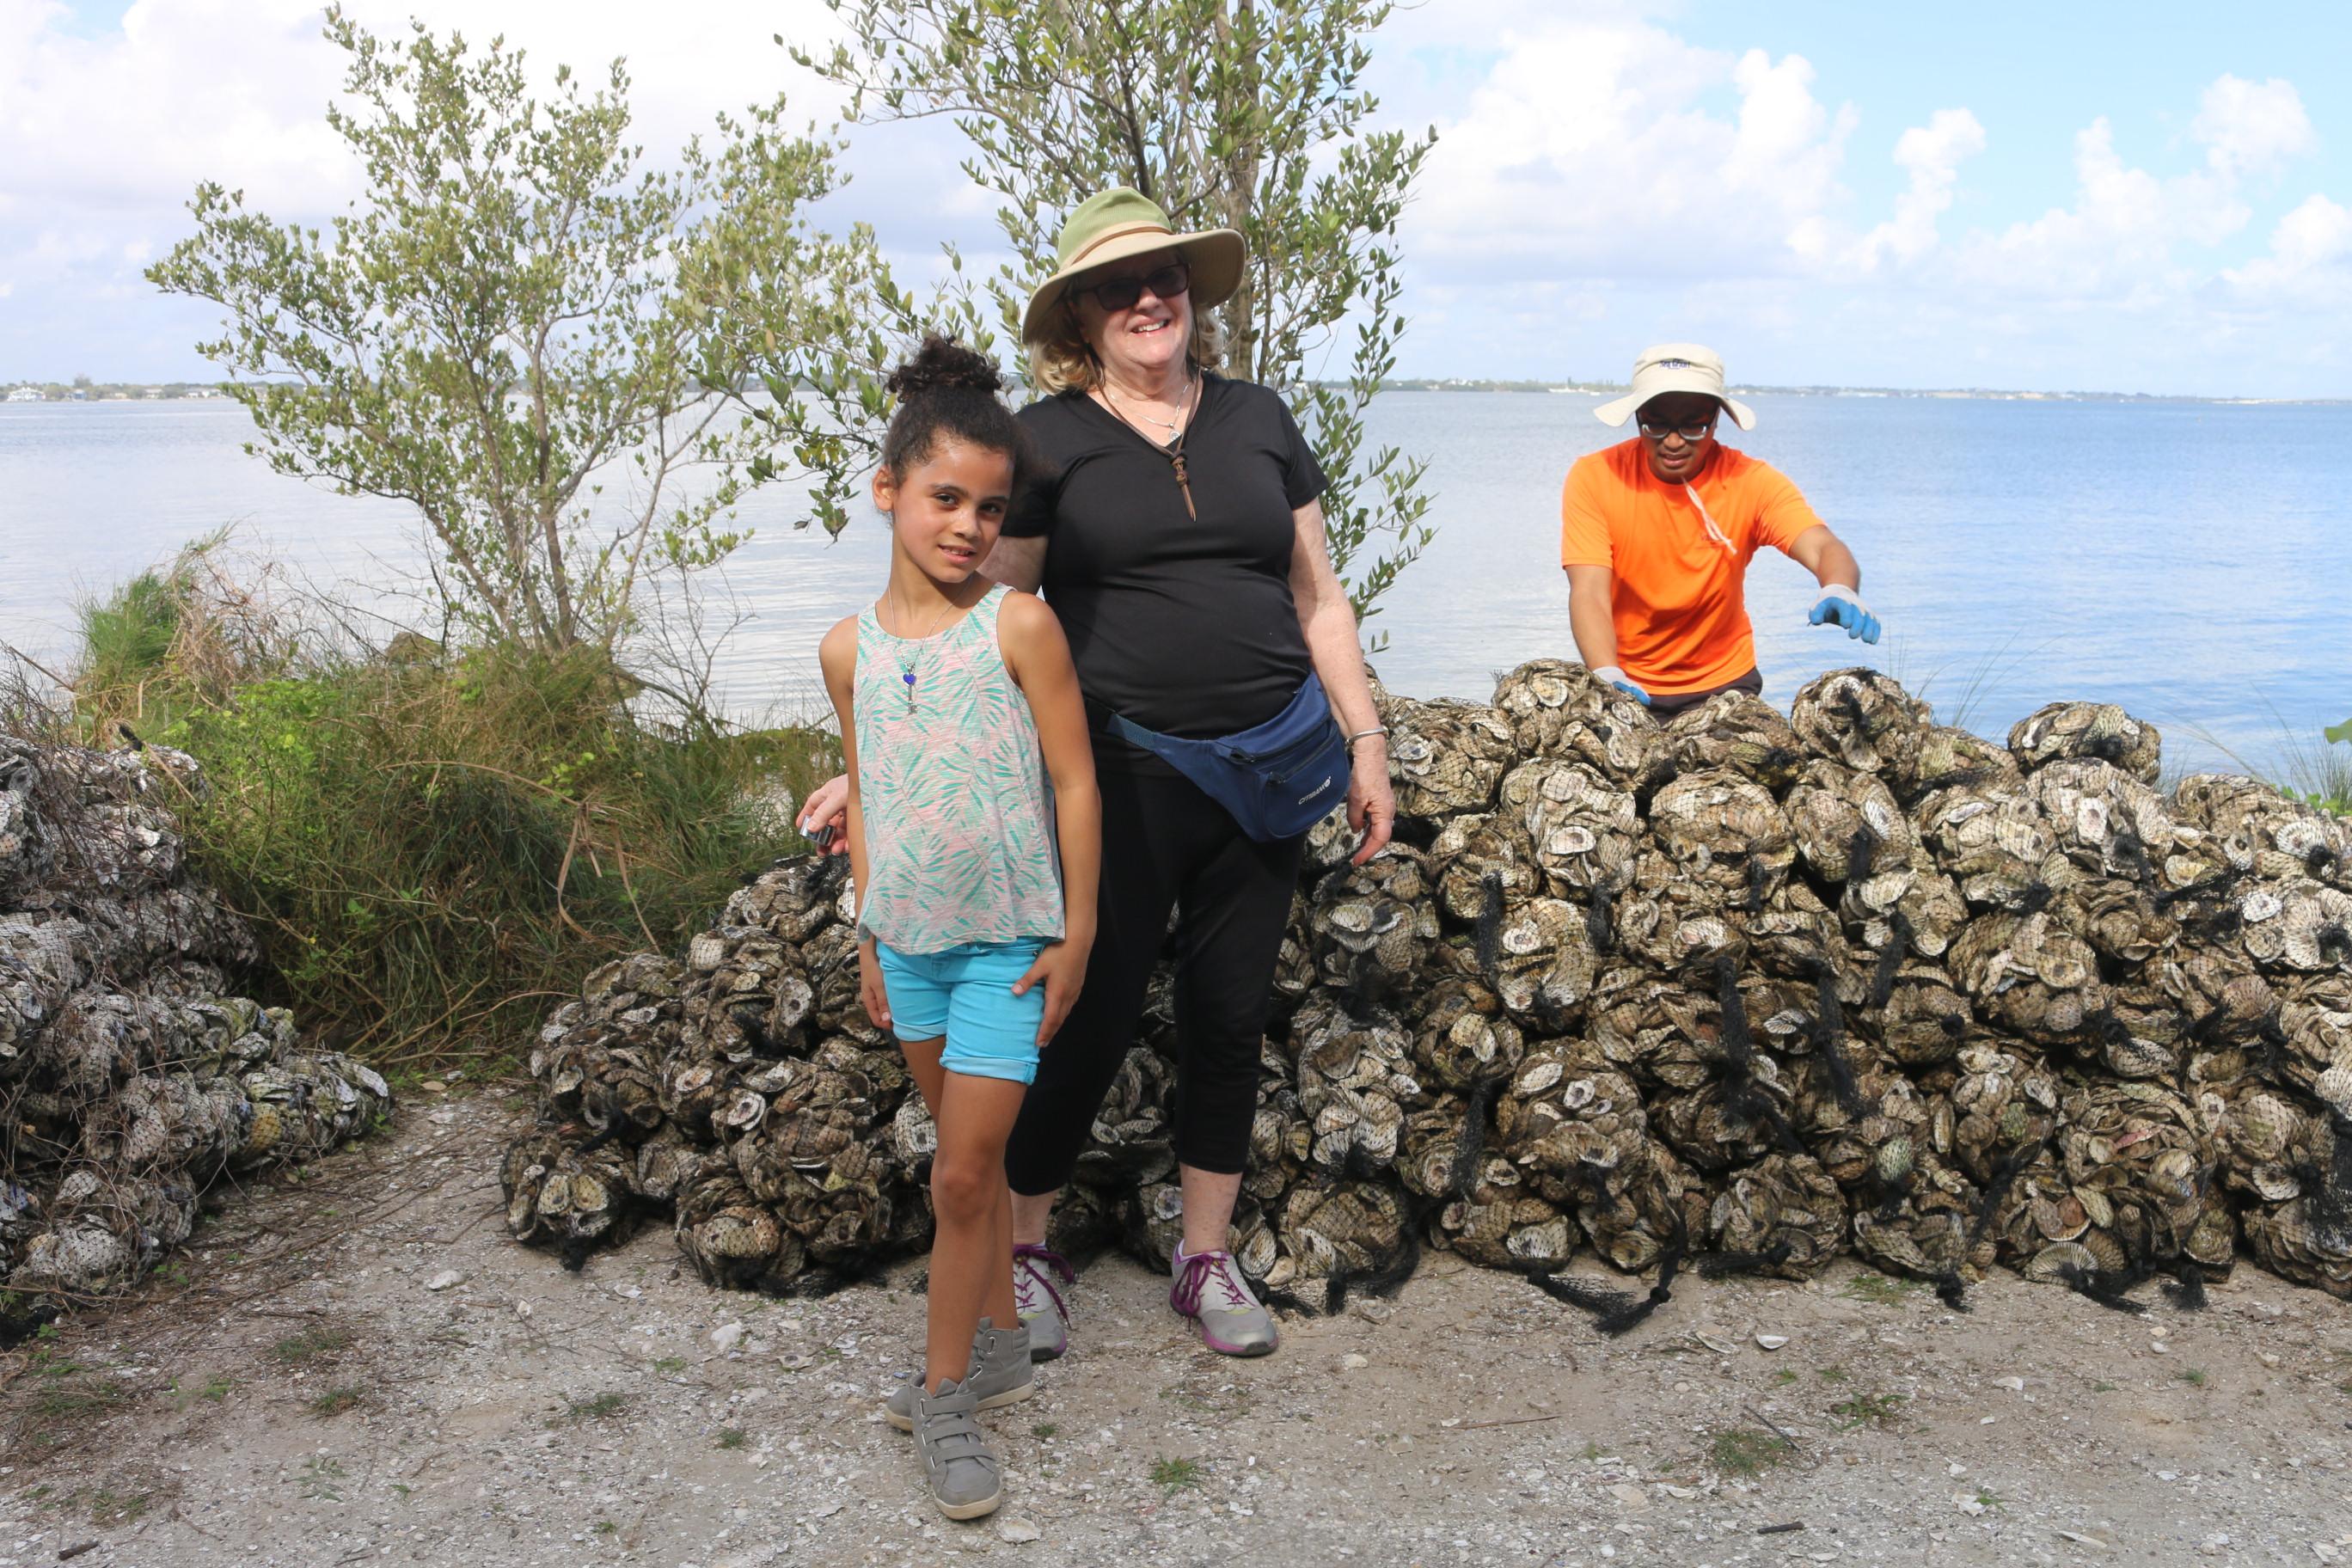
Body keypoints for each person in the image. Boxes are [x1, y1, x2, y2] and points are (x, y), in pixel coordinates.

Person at [800, 186, 1396, 1362]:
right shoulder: (1049, 440)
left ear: (1192, 295)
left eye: (1164, 278)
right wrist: (877, 747)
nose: (1146, 298)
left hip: (1274, 761)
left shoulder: (1262, 420)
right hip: (1120, 765)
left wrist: (1364, 739)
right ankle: (1028, 1249)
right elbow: (976, 604)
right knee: (1083, 1013)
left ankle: (1206, 1258)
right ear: (1079, 313)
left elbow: (1316, 597)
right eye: (1116, 286)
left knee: (1231, 1014)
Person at [820, 336, 1100, 1522]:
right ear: (887, 494)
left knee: (962, 1174)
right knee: (967, 1177)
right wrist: (873, 937)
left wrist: (1078, 934)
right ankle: (993, 1338)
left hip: (1008, 946)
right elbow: (869, 790)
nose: (969, 526)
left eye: (990, 507)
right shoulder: (848, 652)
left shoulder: (1021, 626)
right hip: (913, 949)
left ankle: (944, 1399)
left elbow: (1076, 784)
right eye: (945, 499)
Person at [1562, 343, 1881, 717]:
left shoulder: (1750, 480)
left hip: (1727, 686)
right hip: (1627, 685)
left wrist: (1839, 585)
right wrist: (1604, 673)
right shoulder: (1596, 476)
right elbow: (1589, 591)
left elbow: (1822, 546)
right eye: (1657, 423)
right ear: (1638, 418)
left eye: (1694, 425)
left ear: (1716, 420)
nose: (1674, 440)